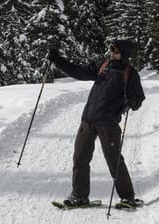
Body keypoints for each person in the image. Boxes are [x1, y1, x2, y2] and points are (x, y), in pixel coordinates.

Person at [47, 39, 146, 207]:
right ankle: (79, 196)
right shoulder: (103, 66)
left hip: (108, 123)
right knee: (80, 158)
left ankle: (128, 197)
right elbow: (78, 72)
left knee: (114, 160)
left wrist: (132, 102)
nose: (112, 53)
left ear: (124, 54)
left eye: (115, 51)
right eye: (111, 50)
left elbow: (138, 99)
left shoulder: (130, 73)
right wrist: (57, 60)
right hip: (88, 120)